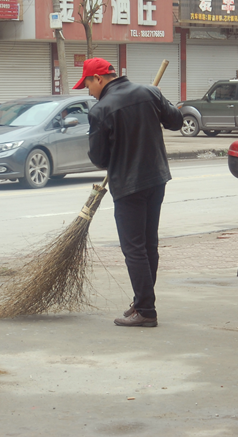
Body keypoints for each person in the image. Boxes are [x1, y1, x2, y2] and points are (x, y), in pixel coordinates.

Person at [74, 58, 183, 327]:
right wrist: (159, 103)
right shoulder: (150, 93)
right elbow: (176, 121)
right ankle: (142, 301)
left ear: (99, 78)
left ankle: (146, 310)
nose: (89, 92)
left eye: (88, 85)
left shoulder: (100, 110)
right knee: (148, 245)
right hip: (156, 179)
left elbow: (99, 158)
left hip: (128, 186)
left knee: (134, 249)